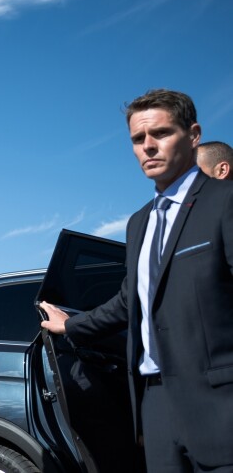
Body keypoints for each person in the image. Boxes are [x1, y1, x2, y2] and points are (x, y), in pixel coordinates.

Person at [40, 89, 233, 473]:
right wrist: (71, 326)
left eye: (160, 133)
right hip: (154, 404)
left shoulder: (224, 200)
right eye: (137, 139)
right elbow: (130, 302)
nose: (148, 147)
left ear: (193, 135)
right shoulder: (139, 222)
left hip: (220, 404)